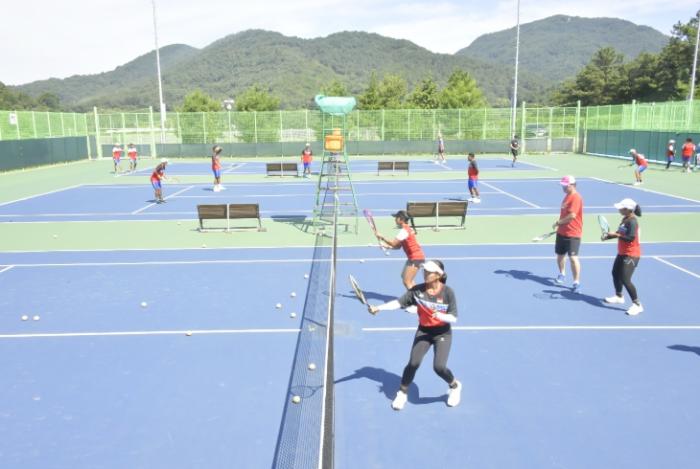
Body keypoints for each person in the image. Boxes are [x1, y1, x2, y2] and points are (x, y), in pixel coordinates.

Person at [368, 260, 461, 410]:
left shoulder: (448, 292)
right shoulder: (417, 291)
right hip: (424, 331)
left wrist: (439, 315)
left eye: (429, 272)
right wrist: (379, 308)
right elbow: (398, 303)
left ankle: (455, 386)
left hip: (442, 333)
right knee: (413, 363)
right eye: (425, 271)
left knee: (439, 367)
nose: (425, 273)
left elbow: (454, 317)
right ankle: (402, 393)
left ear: (438, 275)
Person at [602, 198, 643, 316]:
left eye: (621, 208)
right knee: (615, 273)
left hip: (632, 254)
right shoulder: (625, 219)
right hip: (622, 252)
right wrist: (608, 237)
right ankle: (619, 296)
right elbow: (620, 233)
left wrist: (616, 235)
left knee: (625, 279)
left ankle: (637, 305)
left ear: (628, 209)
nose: (619, 209)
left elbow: (630, 238)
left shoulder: (633, 221)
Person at [375, 210, 426, 289]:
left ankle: (415, 296)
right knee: (405, 277)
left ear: (401, 219)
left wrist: (382, 237)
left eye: (396, 218)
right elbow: (398, 246)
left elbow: (393, 243)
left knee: (407, 281)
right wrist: (387, 246)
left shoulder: (404, 231)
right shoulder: (407, 229)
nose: (395, 219)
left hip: (416, 258)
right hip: (414, 258)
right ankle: (417, 294)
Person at [553, 175, 583, 292]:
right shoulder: (567, 196)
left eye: (565, 186)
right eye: (563, 185)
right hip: (562, 232)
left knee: (573, 258)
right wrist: (560, 225)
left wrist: (558, 222)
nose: (563, 187)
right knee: (560, 255)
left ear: (572, 185)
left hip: (573, 233)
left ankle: (576, 282)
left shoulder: (576, 197)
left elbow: (572, 216)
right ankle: (562, 274)